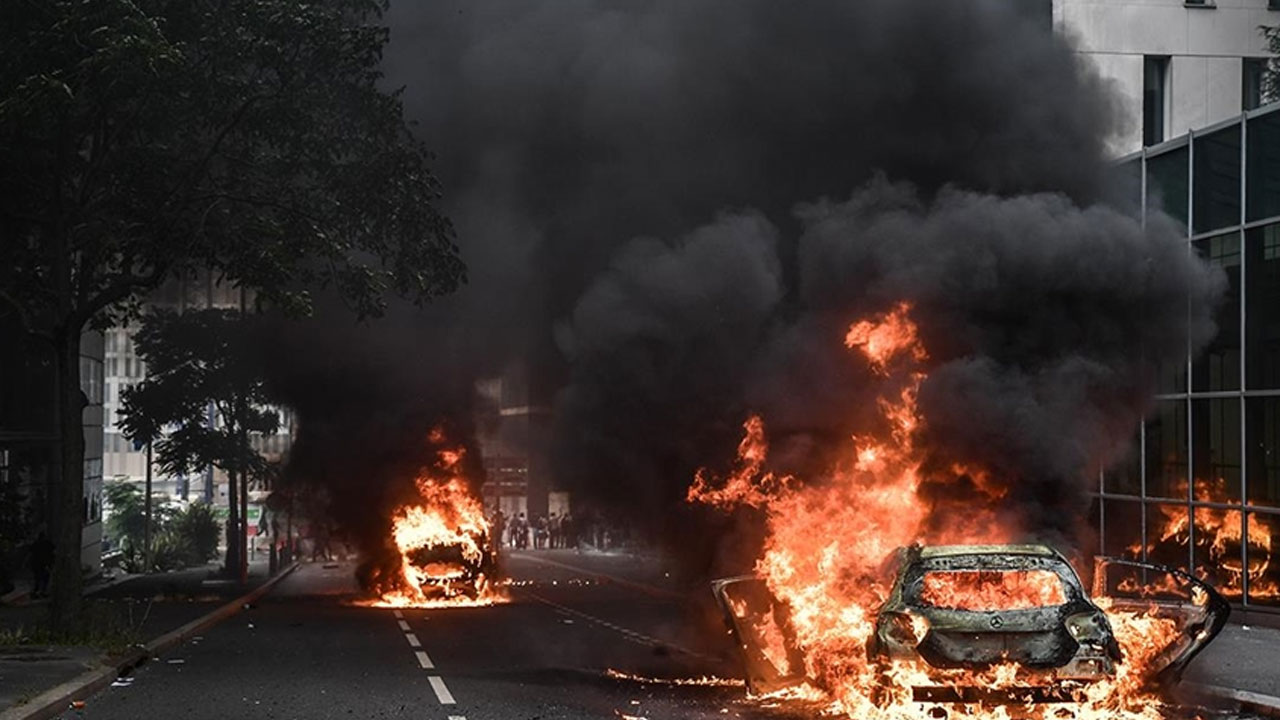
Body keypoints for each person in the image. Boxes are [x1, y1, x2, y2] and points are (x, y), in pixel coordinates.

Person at [29, 531, 54, 599]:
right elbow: (53, 551)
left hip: (36, 564)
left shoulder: (35, 544)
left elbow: (31, 552)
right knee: (45, 578)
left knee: (37, 578)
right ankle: (42, 591)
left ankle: (36, 591)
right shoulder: (47, 543)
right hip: (44, 564)